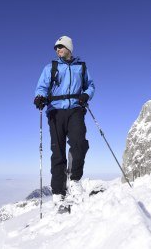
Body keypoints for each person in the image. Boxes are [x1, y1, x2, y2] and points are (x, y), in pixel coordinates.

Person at [34, 35, 95, 210]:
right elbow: (42, 87)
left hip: (75, 109)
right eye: (56, 48)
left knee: (80, 144)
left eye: (60, 47)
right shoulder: (51, 68)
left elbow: (90, 85)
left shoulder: (81, 67)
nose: (57, 50)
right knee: (58, 151)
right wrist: (40, 97)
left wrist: (86, 95)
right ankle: (58, 191)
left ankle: (74, 180)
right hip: (55, 111)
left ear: (69, 48)